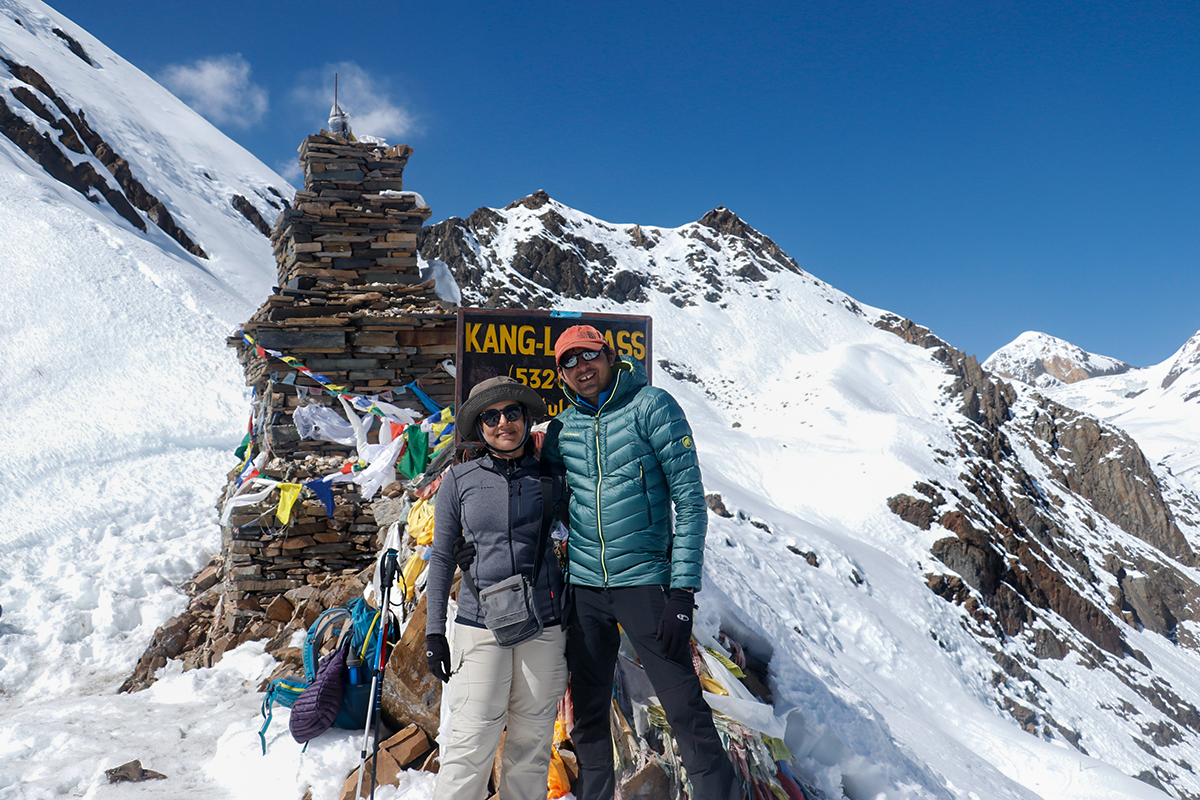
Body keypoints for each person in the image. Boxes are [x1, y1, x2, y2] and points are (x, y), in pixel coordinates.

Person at [541, 325, 740, 800]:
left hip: (647, 584)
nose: (581, 368)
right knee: (588, 715)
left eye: (588, 355)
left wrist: (682, 591)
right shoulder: (562, 430)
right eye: (569, 362)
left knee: (684, 707)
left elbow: (690, 501)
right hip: (586, 589)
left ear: (608, 355)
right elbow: (547, 499)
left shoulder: (652, 406)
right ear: (561, 375)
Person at [424, 376, 567, 800]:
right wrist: (434, 631)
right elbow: (441, 558)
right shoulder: (458, 480)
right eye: (491, 416)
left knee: (532, 747)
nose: (503, 423)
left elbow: (576, 538)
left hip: (545, 625)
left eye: (511, 412)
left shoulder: (554, 478)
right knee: (470, 743)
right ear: (479, 426)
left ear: (525, 418)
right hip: (479, 625)